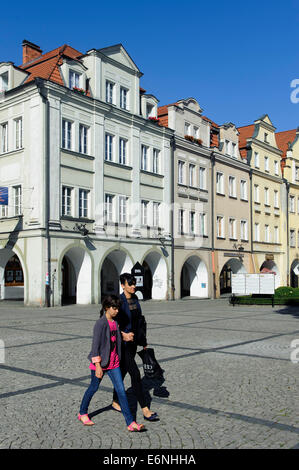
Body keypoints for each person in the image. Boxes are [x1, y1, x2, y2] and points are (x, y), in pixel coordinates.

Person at [78, 294, 145, 432]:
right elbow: (95, 346)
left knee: (121, 391)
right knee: (93, 388)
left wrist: (124, 336)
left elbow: (115, 336)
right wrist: (97, 366)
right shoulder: (100, 324)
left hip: (114, 363)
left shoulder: (115, 323)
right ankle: (82, 413)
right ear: (107, 308)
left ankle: (131, 422)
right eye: (114, 308)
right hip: (101, 363)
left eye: (118, 308)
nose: (117, 311)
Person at [111, 273, 159, 422]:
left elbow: (139, 320)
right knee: (135, 375)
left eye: (134, 283)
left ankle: (115, 401)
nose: (133, 286)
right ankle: (145, 409)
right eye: (130, 284)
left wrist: (143, 340)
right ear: (123, 285)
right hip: (122, 344)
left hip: (133, 343)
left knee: (124, 371)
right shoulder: (118, 301)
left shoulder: (136, 299)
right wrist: (122, 334)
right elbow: (109, 323)